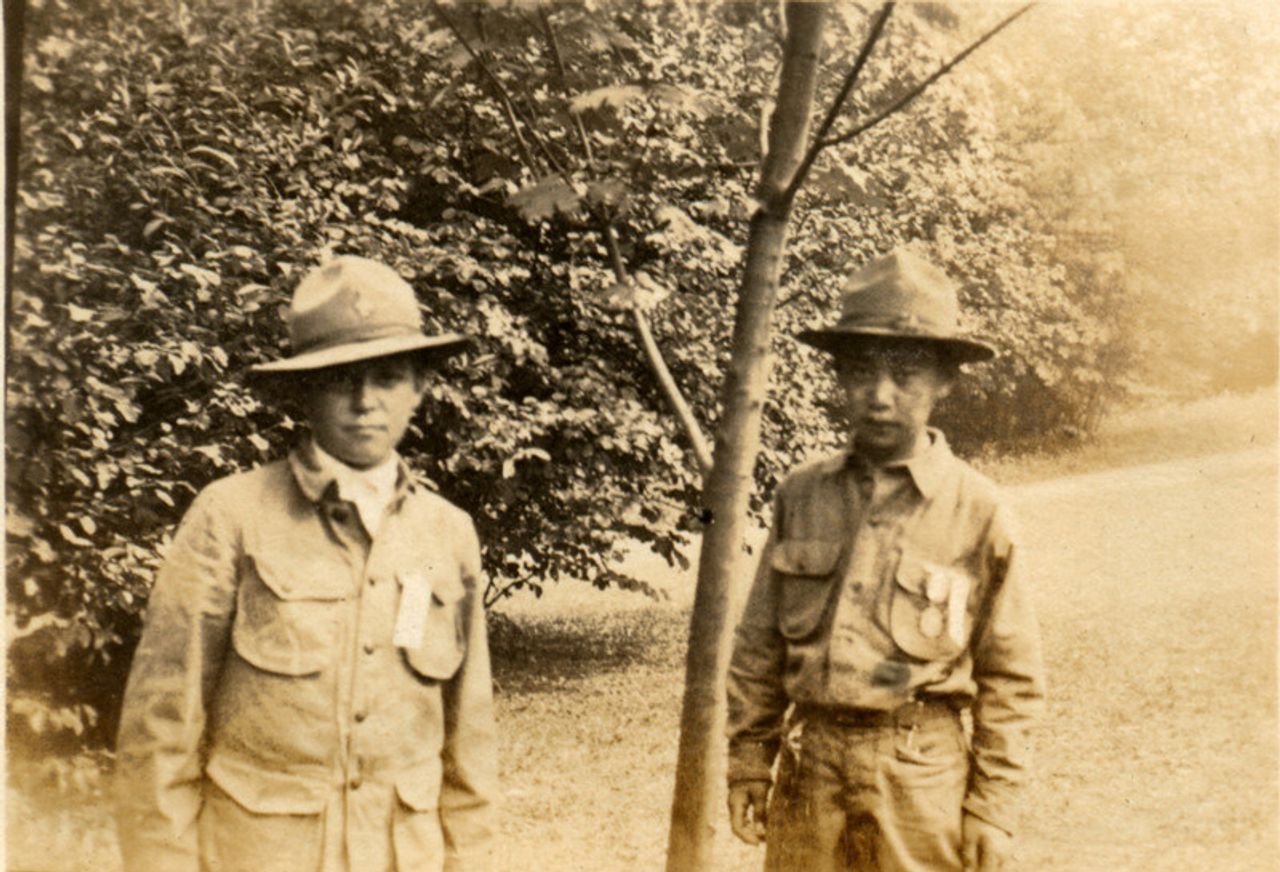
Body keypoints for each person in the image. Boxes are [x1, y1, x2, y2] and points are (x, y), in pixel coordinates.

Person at [114, 256, 497, 872]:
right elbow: (161, 731)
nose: (365, 402)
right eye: (339, 379)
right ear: (303, 389)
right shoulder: (231, 516)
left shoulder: (445, 534)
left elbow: (469, 745)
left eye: (389, 376)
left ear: (421, 386)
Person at [726, 249, 1045, 871]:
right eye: (861, 372)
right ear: (840, 376)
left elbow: (1012, 679)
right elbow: (759, 647)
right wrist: (747, 761)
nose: (879, 396)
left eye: (905, 376)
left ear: (944, 383)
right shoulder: (803, 494)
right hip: (809, 771)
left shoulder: (978, 510)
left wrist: (992, 807)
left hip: (920, 773)